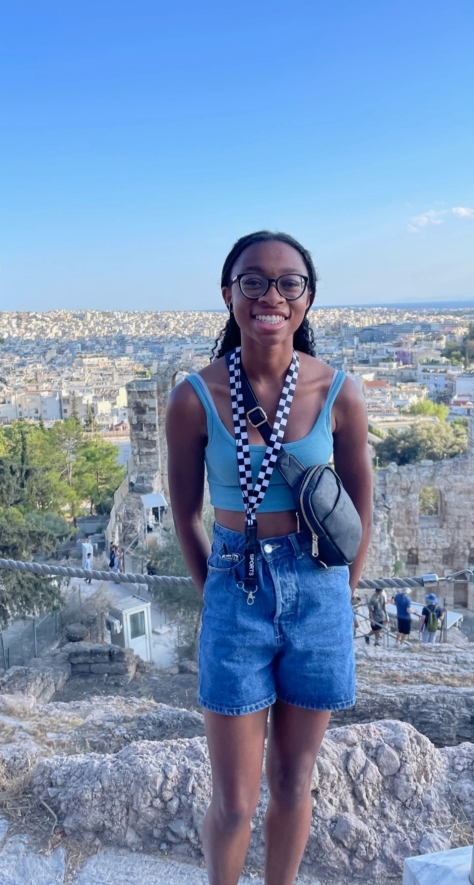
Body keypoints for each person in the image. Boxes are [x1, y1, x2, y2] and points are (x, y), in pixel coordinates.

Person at [166, 231, 372, 885]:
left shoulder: (339, 391)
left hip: (318, 588)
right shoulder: (193, 398)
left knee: (294, 779)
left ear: (308, 297)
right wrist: (217, 589)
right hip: (236, 585)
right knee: (233, 801)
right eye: (253, 281)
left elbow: (363, 508)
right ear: (228, 293)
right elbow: (184, 513)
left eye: (288, 282)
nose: (270, 296)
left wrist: (341, 590)